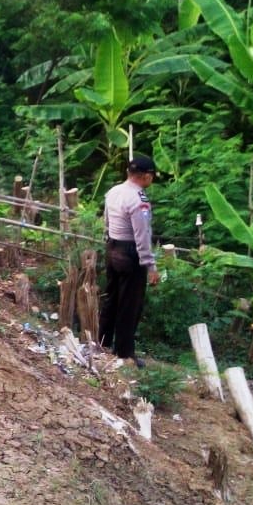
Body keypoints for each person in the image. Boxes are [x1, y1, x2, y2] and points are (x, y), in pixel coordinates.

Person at [99, 155, 161, 365]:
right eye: (151, 176)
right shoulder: (139, 200)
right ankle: (124, 353)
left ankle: (103, 342)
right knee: (130, 304)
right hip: (129, 253)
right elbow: (141, 236)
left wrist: (108, 241)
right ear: (145, 176)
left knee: (111, 298)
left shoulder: (113, 192)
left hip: (112, 247)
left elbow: (106, 221)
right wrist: (150, 266)